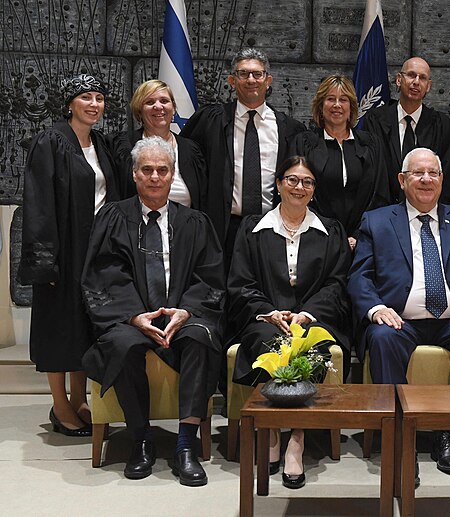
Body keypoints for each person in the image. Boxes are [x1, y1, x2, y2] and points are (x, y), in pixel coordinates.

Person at [81, 136, 225, 486]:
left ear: (173, 174)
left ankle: (186, 445)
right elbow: (103, 274)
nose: (155, 177)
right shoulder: (113, 217)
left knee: (200, 340)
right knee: (123, 344)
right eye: (148, 170)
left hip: (181, 316)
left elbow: (210, 276)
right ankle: (141, 440)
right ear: (134, 174)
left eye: (163, 170)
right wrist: (134, 316)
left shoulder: (195, 222)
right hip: (129, 316)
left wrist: (186, 311)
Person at [348, 147, 450, 480]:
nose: (426, 179)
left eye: (433, 173)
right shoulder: (377, 220)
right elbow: (359, 275)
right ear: (402, 180)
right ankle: (402, 443)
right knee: (382, 338)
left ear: (442, 180)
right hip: (400, 321)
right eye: (418, 173)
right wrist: (375, 308)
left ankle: (448, 433)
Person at [227, 155, 351, 489]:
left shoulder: (330, 231)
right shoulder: (253, 230)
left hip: (314, 318)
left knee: (309, 342)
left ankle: (296, 437)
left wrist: (306, 313)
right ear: (279, 183)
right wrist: (269, 310)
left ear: (314, 189)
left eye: (307, 182)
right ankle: (271, 434)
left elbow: (336, 284)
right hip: (265, 319)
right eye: (292, 180)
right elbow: (240, 283)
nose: (299, 187)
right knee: (273, 339)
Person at [18, 73, 120, 436]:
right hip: (63, 251)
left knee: (85, 326)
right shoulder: (51, 141)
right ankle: (60, 406)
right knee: (59, 327)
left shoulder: (100, 144)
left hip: (95, 251)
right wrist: (46, 260)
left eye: (99, 97)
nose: (94, 104)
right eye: (85, 97)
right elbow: (40, 203)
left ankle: (80, 399)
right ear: (69, 104)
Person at [181, 48, 306, 268]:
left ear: (268, 80)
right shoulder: (210, 121)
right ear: (232, 80)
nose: (251, 80)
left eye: (257, 74)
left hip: (273, 226)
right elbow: (182, 158)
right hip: (223, 228)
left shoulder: (290, 129)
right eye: (243, 74)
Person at [289, 75, 389, 249]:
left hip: (363, 243)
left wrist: (359, 236)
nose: (337, 105)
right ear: (320, 106)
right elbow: (295, 192)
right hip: (315, 242)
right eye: (330, 99)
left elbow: (380, 194)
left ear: (351, 107)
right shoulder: (305, 144)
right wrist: (329, 236)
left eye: (343, 100)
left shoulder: (370, 144)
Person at [361, 57, 450, 203]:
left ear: (428, 86)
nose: (416, 82)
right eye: (411, 75)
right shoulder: (376, 120)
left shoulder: (442, 125)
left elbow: (446, 175)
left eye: (422, 78)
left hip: (427, 209)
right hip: (384, 209)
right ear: (399, 79)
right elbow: (370, 172)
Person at [109, 80, 206, 209]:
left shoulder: (191, 150)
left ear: (173, 108)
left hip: (184, 226)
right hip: (133, 226)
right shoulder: (121, 147)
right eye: (150, 102)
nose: (158, 107)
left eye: (164, 101)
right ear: (139, 111)